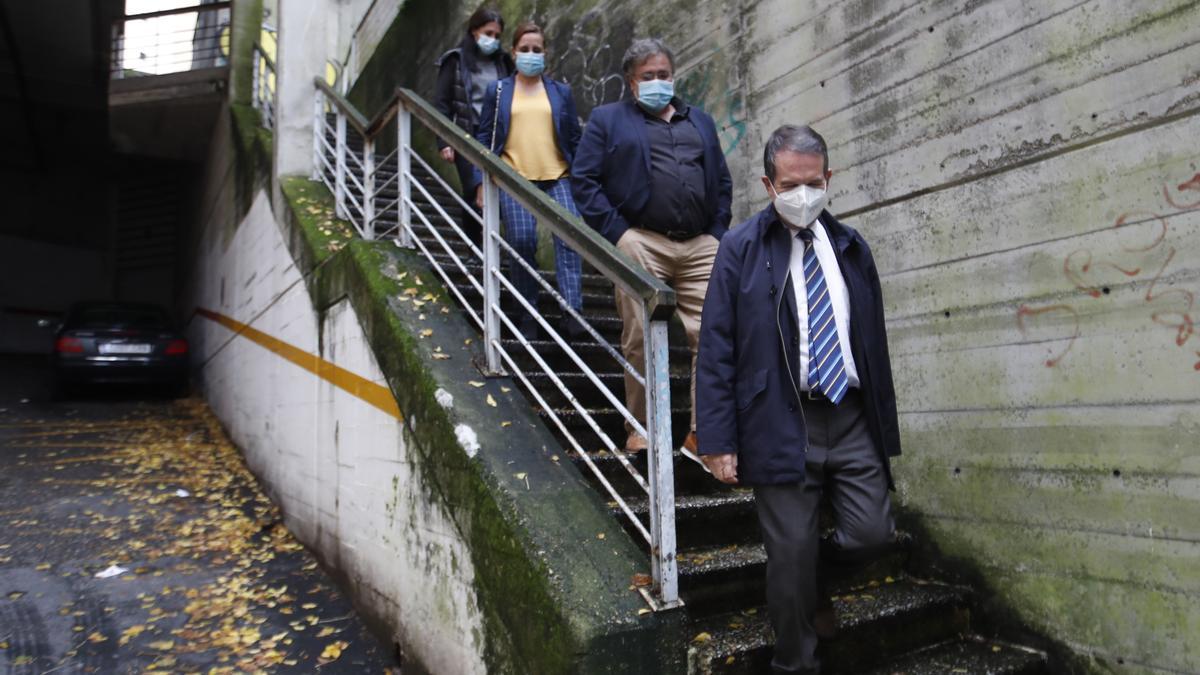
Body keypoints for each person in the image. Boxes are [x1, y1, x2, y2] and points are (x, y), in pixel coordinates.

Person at [696, 125, 902, 674]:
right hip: (778, 419)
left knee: (872, 534)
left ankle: (816, 585)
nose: (802, 195)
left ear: (829, 179)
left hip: (852, 415)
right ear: (768, 184)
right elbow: (716, 349)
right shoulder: (739, 249)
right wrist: (717, 439)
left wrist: (885, 422)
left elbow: (872, 342)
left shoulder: (852, 247)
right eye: (790, 184)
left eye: (813, 183)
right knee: (787, 559)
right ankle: (795, 663)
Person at [571, 38, 732, 453]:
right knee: (640, 334)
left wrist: (716, 231)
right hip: (641, 240)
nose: (658, 82)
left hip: (701, 245)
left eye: (664, 75)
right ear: (631, 81)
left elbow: (723, 182)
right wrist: (619, 233)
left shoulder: (700, 121)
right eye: (649, 76)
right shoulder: (608, 120)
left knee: (715, 335)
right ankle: (640, 427)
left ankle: (702, 433)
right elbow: (584, 180)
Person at [473, 21, 584, 341]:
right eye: (525, 49)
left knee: (569, 238)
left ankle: (572, 310)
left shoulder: (561, 91)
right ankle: (527, 311)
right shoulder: (499, 90)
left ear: (545, 53)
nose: (531, 55)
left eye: (537, 49)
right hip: (514, 177)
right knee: (522, 241)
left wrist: (583, 178)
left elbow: (573, 138)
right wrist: (482, 181)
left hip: (559, 176)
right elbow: (484, 136)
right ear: (514, 52)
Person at [434, 7, 514, 241]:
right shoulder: (455, 60)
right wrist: (443, 141)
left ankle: (494, 249)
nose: (493, 40)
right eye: (488, 33)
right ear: (474, 31)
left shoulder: (504, 64)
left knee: (498, 192)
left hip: (497, 137)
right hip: (466, 136)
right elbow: (442, 104)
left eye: (497, 36)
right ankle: (474, 247)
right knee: (474, 190)